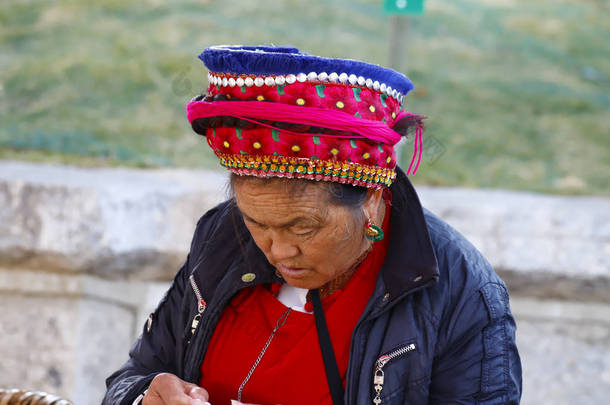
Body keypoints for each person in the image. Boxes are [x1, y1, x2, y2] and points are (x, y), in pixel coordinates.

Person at [103, 45, 522, 405]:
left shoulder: (460, 291)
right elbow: (136, 373)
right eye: (256, 222)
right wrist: (146, 394)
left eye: (303, 228)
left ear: (372, 201)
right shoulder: (221, 236)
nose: (278, 250)